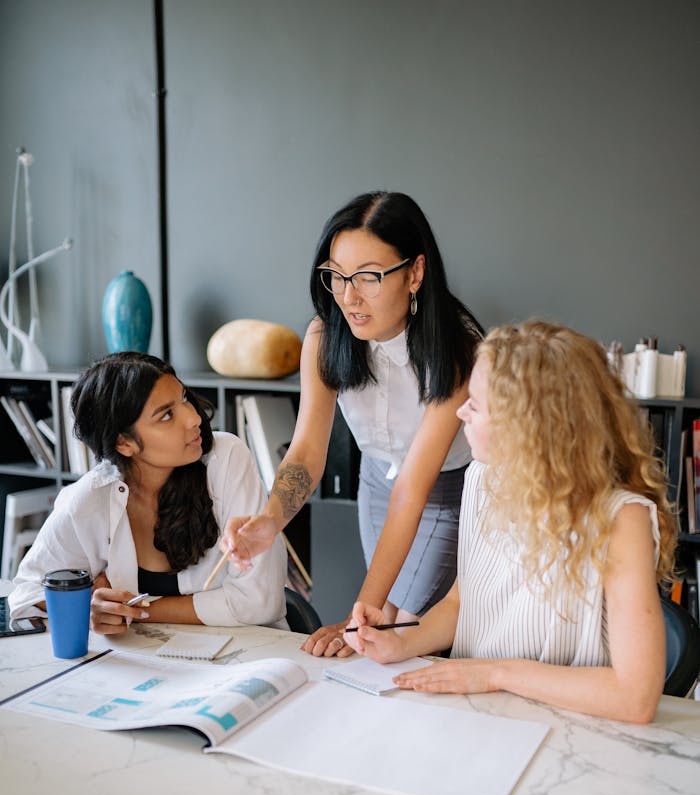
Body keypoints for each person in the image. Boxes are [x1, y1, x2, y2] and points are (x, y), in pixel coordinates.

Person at [343, 321, 677, 724]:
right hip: (481, 716)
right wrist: (401, 641)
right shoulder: (482, 478)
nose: (461, 411)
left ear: (529, 427)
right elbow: (461, 603)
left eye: (477, 405)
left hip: (576, 728)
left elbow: (635, 699)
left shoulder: (622, 519)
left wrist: (495, 673)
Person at [222, 190, 482, 657]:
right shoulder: (325, 336)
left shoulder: (457, 348)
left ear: (415, 273)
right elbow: (306, 452)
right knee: (383, 631)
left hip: (446, 491)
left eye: (368, 277)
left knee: (401, 629)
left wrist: (360, 613)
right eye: (337, 277)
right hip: (376, 486)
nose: (348, 297)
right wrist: (269, 520)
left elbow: (415, 488)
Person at [10, 352, 286, 634]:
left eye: (184, 399)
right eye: (167, 415)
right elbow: (25, 593)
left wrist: (136, 610)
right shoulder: (91, 498)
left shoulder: (225, 458)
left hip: (248, 654)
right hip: (149, 663)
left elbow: (258, 602)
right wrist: (89, 604)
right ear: (124, 442)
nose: (193, 418)